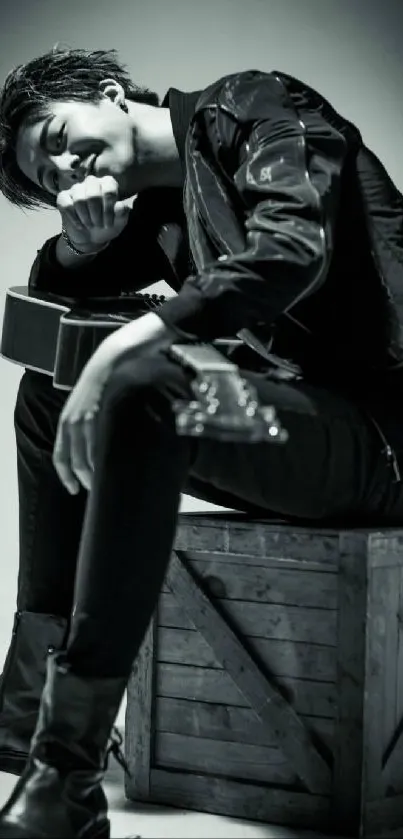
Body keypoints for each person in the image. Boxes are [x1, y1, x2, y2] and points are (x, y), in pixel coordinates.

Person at [0, 44, 403, 838]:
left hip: (384, 436)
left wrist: (133, 342)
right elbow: (42, 324)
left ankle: (66, 767)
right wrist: (81, 247)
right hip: (297, 431)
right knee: (49, 391)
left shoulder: (249, 105)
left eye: (56, 138)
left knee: (147, 384)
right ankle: (25, 725)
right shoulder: (141, 213)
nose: (67, 167)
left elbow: (293, 247)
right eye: (50, 179)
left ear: (109, 94)